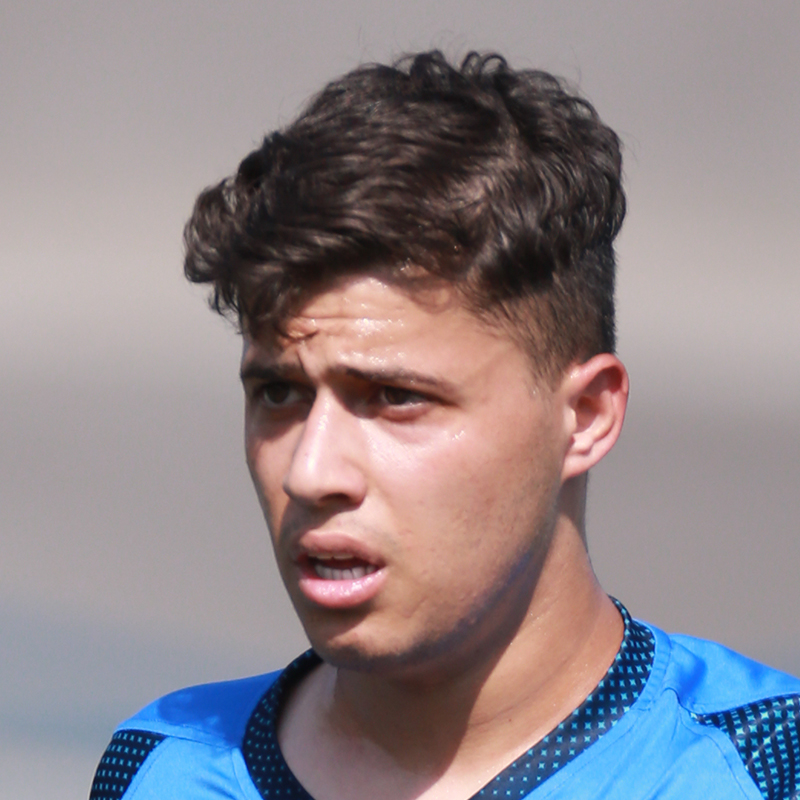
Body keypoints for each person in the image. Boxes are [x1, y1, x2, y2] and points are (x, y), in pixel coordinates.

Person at [89, 50, 800, 800]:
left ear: (587, 416)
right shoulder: (163, 768)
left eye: (396, 397)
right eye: (278, 393)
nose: (310, 472)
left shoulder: (767, 766)